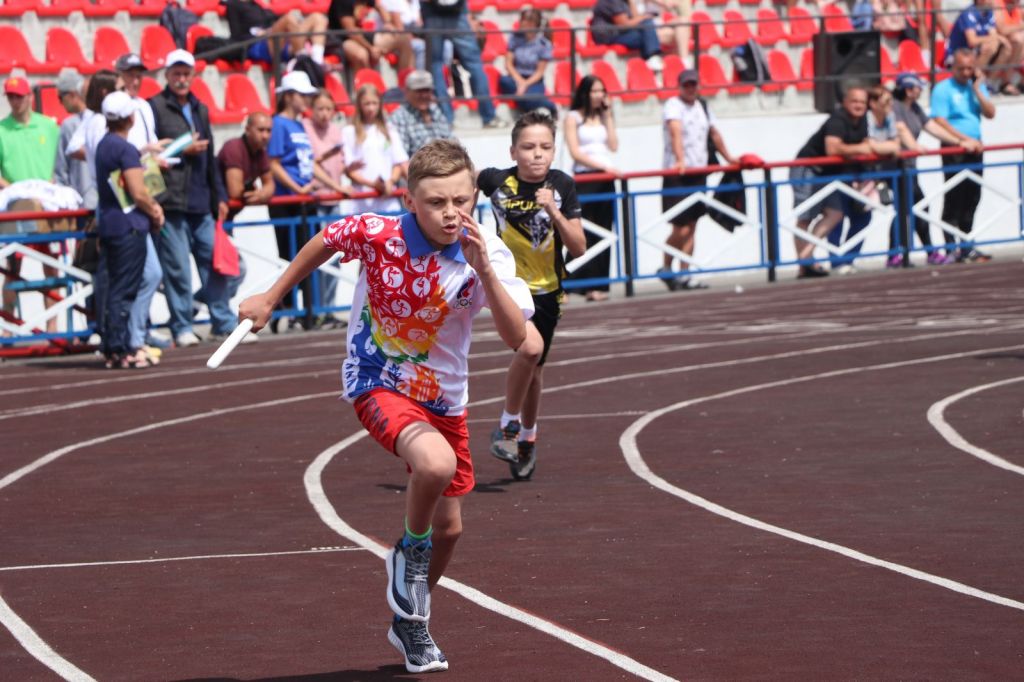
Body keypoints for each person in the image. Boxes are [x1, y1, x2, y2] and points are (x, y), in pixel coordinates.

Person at [238, 138, 532, 673]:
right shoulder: (378, 232)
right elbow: (325, 239)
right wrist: (271, 297)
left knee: (451, 529)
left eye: (462, 201)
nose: (451, 214)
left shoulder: (485, 249)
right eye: (437, 202)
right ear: (409, 199)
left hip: (445, 397)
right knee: (434, 467)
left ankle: (410, 621)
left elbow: (520, 339)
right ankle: (408, 554)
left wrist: (484, 269)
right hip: (377, 379)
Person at [478, 110, 586, 480]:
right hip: (510, 287)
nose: (536, 154)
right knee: (530, 351)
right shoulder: (496, 181)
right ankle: (508, 426)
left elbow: (580, 246)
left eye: (545, 147)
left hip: (549, 291)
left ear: (554, 151)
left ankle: (527, 438)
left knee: (535, 371)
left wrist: (553, 209)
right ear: (513, 151)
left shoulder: (562, 184)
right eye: (528, 147)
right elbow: (462, 184)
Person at [148, 49, 234, 347]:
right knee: (178, 270)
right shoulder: (154, 107)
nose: (182, 79)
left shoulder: (201, 108)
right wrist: (182, 151)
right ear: (167, 75)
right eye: (176, 73)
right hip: (170, 200)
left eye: (186, 74)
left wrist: (219, 196)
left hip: (201, 200)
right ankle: (182, 326)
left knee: (216, 265)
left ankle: (223, 321)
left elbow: (210, 156)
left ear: (193, 75)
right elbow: (151, 153)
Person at [267, 70, 346, 330]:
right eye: (303, 95)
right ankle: (288, 311)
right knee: (289, 258)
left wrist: (335, 186)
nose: (307, 100)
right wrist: (297, 188)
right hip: (287, 202)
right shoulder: (279, 123)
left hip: (303, 200)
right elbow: (274, 164)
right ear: (289, 96)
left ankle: (309, 312)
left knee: (308, 257)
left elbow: (309, 164)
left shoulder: (299, 125)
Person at [94, 91, 165, 369]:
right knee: (125, 290)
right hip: (129, 226)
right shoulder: (124, 149)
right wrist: (154, 210)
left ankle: (119, 345)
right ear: (131, 118)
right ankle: (121, 347)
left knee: (120, 287)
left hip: (112, 223)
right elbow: (138, 192)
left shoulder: (104, 145)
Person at [790, 85, 891, 278]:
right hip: (807, 170)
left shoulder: (862, 121)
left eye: (862, 102)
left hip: (827, 174)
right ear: (844, 103)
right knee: (804, 218)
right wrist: (862, 148)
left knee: (835, 214)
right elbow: (833, 149)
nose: (858, 106)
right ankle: (804, 265)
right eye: (854, 101)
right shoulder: (837, 119)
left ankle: (806, 257)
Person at [658, 68, 737, 290]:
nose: (691, 89)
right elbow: (676, 132)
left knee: (692, 226)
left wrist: (729, 157)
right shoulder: (673, 105)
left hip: (698, 172)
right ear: (680, 86)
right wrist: (680, 160)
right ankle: (666, 267)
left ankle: (685, 272)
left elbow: (714, 134)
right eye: (687, 85)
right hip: (678, 174)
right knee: (680, 227)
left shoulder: (702, 106)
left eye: (694, 84)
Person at [891, 72, 980, 266]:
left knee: (918, 207)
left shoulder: (914, 108)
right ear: (907, 89)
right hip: (895, 166)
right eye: (917, 87)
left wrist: (960, 141)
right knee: (906, 210)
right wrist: (915, 147)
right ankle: (897, 254)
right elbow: (900, 129)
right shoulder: (895, 107)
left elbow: (932, 127)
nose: (921, 90)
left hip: (909, 167)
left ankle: (927, 251)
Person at [117, 51, 172, 355]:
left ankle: (140, 331)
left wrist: (156, 158)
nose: (136, 79)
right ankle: (131, 336)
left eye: (139, 73)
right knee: (144, 271)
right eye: (130, 73)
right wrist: (145, 151)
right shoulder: (114, 108)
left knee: (149, 270)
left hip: (147, 188)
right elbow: (117, 153)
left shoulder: (143, 107)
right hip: (128, 195)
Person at [0, 76, 61, 331]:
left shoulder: (48, 127)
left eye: (18, 96)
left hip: (45, 207)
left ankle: (54, 327)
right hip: (16, 208)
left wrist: (48, 188)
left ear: (29, 97)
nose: (14, 101)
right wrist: (12, 189)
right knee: (12, 269)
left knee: (52, 267)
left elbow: (59, 165)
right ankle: (8, 326)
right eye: (10, 97)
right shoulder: (2, 129)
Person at [930, 48, 997, 261]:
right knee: (953, 198)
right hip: (955, 150)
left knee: (973, 197)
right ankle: (951, 248)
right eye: (962, 69)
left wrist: (978, 88)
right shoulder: (942, 89)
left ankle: (967, 245)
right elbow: (940, 120)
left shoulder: (974, 86)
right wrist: (962, 140)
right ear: (953, 67)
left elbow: (990, 113)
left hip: (975, 149)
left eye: (970, 68)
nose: (966, 72)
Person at [827, 85, 901, 274]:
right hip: (841, 173)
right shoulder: (863, 119)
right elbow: (870, 146)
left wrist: (877, 147)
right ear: (874, 104)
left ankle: (848, 259)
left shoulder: (888, 117)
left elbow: (893, 146)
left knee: (863, 216)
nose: (890, 105)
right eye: (885, 101)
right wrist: (876, 147)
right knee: (837, 216)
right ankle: (836, 262)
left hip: (867, 175)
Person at [564, 75, 618, 302]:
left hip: (606, 177)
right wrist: (602, 166)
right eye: (595, 91)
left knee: (604, 229)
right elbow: (575, 152)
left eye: (601, 91)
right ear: (585, 93)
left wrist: (607, 116)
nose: (599, 96)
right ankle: (567, 282)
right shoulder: (573, 117)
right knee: (582, 230)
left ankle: (597, 285)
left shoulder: (603, 117)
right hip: (586, 177)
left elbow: (613, 145)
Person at [303, 89, 355, 326]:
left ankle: (329, 308)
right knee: (316, 255)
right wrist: (336, 185)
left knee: (335, 256)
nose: (324, 114)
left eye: (328, 109)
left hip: (334, 200)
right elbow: (311, 163)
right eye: (320, 109)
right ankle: (316, 308)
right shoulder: (305, 128)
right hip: (315, 200)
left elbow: (342, 162)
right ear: (312, 110)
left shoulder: (336, 131)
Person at [217, 111, 275, 301]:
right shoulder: (234, 148)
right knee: (234, 271)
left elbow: (269, 185)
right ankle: (208, 313)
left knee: (232, 272)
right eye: (260, 130)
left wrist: (261, 193)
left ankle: (202, 310)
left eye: (268, 130)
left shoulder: (260, 153)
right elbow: (235, 191)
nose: (265, 135)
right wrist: (260, 191)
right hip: (211, 217)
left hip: (225, 221)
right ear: (248, 129)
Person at [420, 0, 503, 128]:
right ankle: (489, 117)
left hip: (434, 15)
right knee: (475, 64)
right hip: (457, 14)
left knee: (435, 65)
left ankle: (447, 119)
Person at [342, 84, 409, 215]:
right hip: (361, 203)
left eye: (374, 103)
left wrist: (390, 181)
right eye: (366, 104)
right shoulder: (349, 132)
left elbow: (398, 162)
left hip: (388, 202)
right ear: (359, 105)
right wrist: (372, 185)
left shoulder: (389, 129)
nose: (371, 108)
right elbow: (350, 169)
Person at [224, 0, 329, 66]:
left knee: (318, 17)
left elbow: (272, 20)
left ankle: (316, 61)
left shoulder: (256, 5)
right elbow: (236, 36)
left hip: (277, 38)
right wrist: (260, 33)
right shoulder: (233, 5)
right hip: (257, 43)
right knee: (288, 19)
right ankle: (303, 62)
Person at [946, 0, 1018, 93]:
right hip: (957, 55)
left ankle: (988, 82)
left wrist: (999, 39)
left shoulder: (989, 12)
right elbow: (972, 40)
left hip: (974, 52)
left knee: (1005, 47)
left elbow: (992, 34)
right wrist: (997, 38)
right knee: (990, 46)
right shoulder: (968, 13)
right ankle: (972, 81)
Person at [497, 8, 558, 118]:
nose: (520, 22)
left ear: (532, 24)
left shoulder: (544, 44)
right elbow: (508, 64)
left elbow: (539, 72)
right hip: (515, 78)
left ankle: (549, 106)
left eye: (523, 20)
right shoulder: (514, 38)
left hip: (533, 80)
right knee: (504, 81)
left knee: (530, 97)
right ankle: (534, 104)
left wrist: (525, 84)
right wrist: (520, 82)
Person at [328, 0, 414, 71]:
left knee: (404, 39)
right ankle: (366, 88)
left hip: (362, 36)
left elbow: (379, 7)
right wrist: (370, 48)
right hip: (342, 39)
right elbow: (351, 31)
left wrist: (387, 23)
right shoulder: (342, 2)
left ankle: (406, 82)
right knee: (361, 55)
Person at [54, 70, 94, 214]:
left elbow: (60, 172)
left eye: (60, 97)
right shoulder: (103, 117)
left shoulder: (69, 125)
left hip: (82, 207)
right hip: (106, 205)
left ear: (71, 95)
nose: (60, 103)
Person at [389, 70, 454, 158]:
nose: (423, 95)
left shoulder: (435, 111)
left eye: (426, 90)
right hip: (419, 169)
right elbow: (401, 159)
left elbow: (453, 143)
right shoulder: (399, 118)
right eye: (419, 91)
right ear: (407, 91)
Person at [591, 0, 665, 70]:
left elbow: (635, 18)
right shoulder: (613, 1)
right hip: (608, 36)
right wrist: (644, 17)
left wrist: (631, 2)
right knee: (647, 27)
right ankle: (652, 57)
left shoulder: (625, 1)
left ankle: (652, 58)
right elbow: (624, 24)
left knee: (647, 31)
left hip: (620, 33)